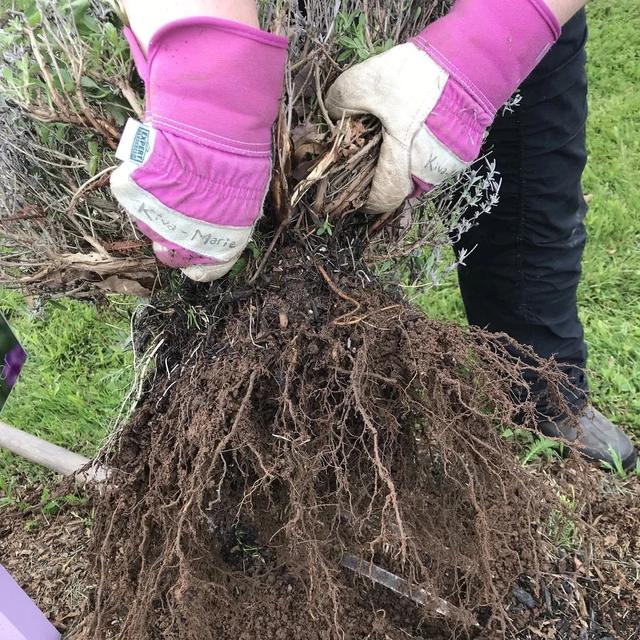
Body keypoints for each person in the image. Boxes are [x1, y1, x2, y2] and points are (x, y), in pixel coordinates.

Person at [111, 0, 637, 470]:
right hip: (285, 24)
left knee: (531, 199)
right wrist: (211, 77)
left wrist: (498, 34)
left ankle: (549, 396)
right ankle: (217, 451)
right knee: (223, 251)